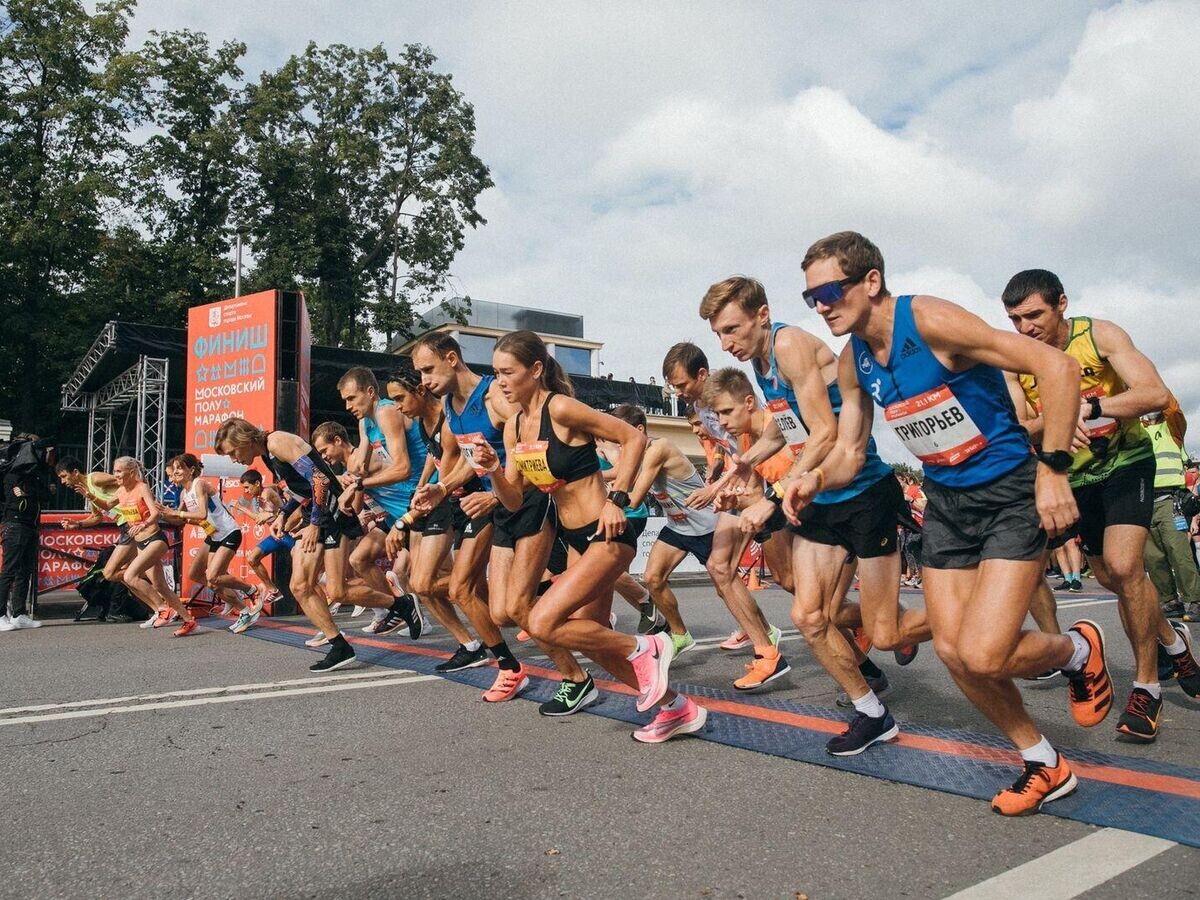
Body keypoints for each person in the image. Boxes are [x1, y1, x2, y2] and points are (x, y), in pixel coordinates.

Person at [793, 230, 1111, 816]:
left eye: (831, 290)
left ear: (871, 281)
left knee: (985, 653)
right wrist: (811, 479)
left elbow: (1058, 368)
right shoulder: (852, 361)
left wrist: (1054, 470)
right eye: (811, 296)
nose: (821, 305)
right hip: (947, 502)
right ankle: (1043, 761)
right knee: (954, 651)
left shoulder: (932, 320)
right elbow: (848, 448)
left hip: (1012, 492)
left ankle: (1075, 652)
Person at [700, 274, 922, 752]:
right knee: (808, 615)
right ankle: (872, 713)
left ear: (761, 315)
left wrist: (775, 495)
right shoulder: (761, 364)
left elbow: (824, 435)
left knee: (886, 632)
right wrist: (743, 463)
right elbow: (786, 429)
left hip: (862, 491)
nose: (725, 343)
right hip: (822, 499)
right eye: (718, 334)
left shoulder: (790, 346)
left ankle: (962, 618)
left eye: (732, 329)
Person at [476, 331, 705, 742]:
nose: (501, 382)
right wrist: (493, 468)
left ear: (536, 369)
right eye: (495, 375)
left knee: (544, 621)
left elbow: (633, 437)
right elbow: (513, 499)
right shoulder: (514, 428)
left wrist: (618, 498)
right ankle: (675, 708)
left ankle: (646, 647)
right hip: (577, 541)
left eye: (508, 372)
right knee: (596, 642)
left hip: (607, 533)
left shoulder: (561, 408)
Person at [1002, 268, 1200, 740]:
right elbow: (1018, 425)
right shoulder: (1015, 360)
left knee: (1123, 564)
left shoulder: (1100, 335)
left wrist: (1090, 408)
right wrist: (1055, 420)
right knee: (1113, 578)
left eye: (1034, 315)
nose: (1025, 328)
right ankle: (1174, 642)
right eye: (1014, 319)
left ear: (1061, 304)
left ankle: (1146, 689)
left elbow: (1155, 394)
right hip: (1075, 476)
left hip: (1127, 462)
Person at [408, 333, 529, 700]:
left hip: (525, 499)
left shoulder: (494, 396)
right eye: (420, 373)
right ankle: (510, 666)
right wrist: (442, 488)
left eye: (428, 369)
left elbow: (527, 446)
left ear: (451, 358)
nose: (424, 381)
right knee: (472, 593)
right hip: (487, 501)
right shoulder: (449, 405)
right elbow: (470, 458)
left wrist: (497, 492)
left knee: (511, 607)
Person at [660, 342, 786, 669]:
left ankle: (856, 622)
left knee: (790, 582)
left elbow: (755, 441)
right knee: (719, 568)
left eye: (682, 385)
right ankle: (766, 650)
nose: (678, 393)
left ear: (702, 375)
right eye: (673, 387)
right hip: (743, 482)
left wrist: (720, 486)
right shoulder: (701, 410)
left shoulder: (729, 394)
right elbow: (727, 454)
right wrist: (720, 484)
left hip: (769, 481)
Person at [214, 417, 356, 671]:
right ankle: (339, 645)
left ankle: (399, 604)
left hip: (330, 514)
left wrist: (314, 523)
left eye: (233, 452)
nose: (234, 459)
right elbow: (302, 490)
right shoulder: (268, 454)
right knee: (301, 586)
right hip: (319, 514)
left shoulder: (277, 441)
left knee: (334, 591)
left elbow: (320, 481)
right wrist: (282, 514)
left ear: (244, 440)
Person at [384, 370, 488, 671]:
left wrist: (405, 518)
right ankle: (470, 644)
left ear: (419, 391)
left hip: (467, 500)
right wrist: (422, 483)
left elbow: (450, 475)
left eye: (400, 398)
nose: (397, 406)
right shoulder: (422, 421)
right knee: (421, 583)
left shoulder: (448, 418)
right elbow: (434, 454)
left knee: (426, 583)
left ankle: (476, 597)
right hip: (443, 498)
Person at [609, 403, 715, 655]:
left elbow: (633, 498)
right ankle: (680, 635)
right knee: (652, 578)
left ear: (639, 430)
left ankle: (761, 635)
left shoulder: (659, 448)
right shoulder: (637, 453)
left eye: (622, 437)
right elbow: (620, 473)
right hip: (678, 527)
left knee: (726, 588)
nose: (620, 444)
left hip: (705, 525)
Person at [336, 367, 425, 635]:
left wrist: (358, 484)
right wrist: (347, 481)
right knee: (359, 559)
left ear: (371, 392)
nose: (349, 406)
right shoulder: (365, 423)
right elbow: (360, 467)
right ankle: (401, 607)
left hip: (417, 498)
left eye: (352, 398)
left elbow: (402, 468)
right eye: (345, 401)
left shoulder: (386, 412)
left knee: (430, 580)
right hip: (394, 506)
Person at [159, 454, 260, 633]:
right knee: (198, 574)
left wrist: (177, 514)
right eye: (172, 472)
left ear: (190, 470)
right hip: (213, 535)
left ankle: (251, 590)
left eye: (178, 469)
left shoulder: (200, 484)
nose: (174, 474)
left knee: (213, 577)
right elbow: (180, 521)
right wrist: (164, 513)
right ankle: (242, 608)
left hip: (229, 532)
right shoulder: (184, 493)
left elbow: (202, 515)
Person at [111, 456, 197, 636]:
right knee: (160, 585)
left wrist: (142, 524)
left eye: (119, 471)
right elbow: (107, 506)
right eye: (115, 471)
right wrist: (88, 494)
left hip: (155, 539)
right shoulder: (120, 491)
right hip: (141, 543)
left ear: (131, 472)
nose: (115, 475)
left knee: (129, 575)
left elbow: (156, 512)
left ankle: (163, 609)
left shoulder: (141, 487)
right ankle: (189, 621)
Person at [1140, 405, 1200, 620]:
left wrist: (1152, 388)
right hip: (1144, 500)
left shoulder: (1172, 428)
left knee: (1178, 551)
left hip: (1169, 500)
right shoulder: (1136, 430)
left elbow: (1173, 407)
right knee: (1153, 556)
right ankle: (1169, 601)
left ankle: (1195, 600)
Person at [55, 457, 139, 606]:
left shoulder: (95, 479)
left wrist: (122, 502)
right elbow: (97, 517)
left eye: (63, 476)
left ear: (75, 472)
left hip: (133, 523)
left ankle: (156, 598)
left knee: (112, 572)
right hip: (124, 526)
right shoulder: (87, 490)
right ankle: (159, 606)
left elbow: (127, 480)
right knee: (123, 573)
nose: (63, 482)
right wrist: (77, 524)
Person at [0, 434, 50, 630]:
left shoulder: (32, 475)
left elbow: (47, 494)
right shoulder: (12, 474)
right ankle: (1, 614)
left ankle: (19, 613)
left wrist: (30, 492)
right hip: (15, 525)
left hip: (29, 525)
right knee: (9, 571)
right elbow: (44, 493)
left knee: (25, 571)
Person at [235, 469, 290, 606]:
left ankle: (332, 593)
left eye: (247, 487)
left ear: (257, 483)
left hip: (289, 533)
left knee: (309, 570)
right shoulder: (261, 495)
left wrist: (241, 507)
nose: (246, 491)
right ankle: (273, 590)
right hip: (277, 536)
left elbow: (260, 519)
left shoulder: (265, 493)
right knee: (252, 558)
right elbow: (261, 518)